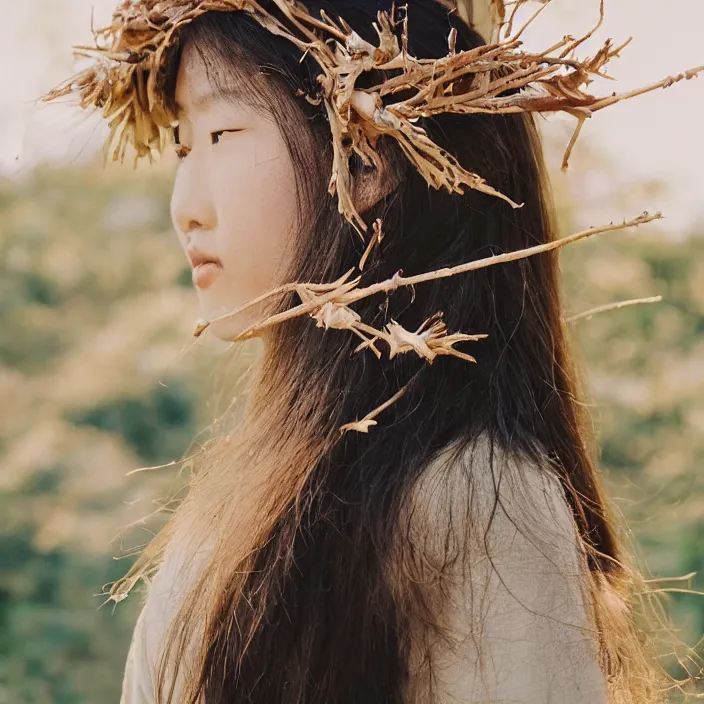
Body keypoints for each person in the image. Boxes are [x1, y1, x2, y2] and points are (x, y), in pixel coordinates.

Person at [47, 0, 671, 702]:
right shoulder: (243, 504)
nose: (184, 205)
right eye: (183, 145)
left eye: (222, 132)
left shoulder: (477, 498)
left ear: (367, 155)